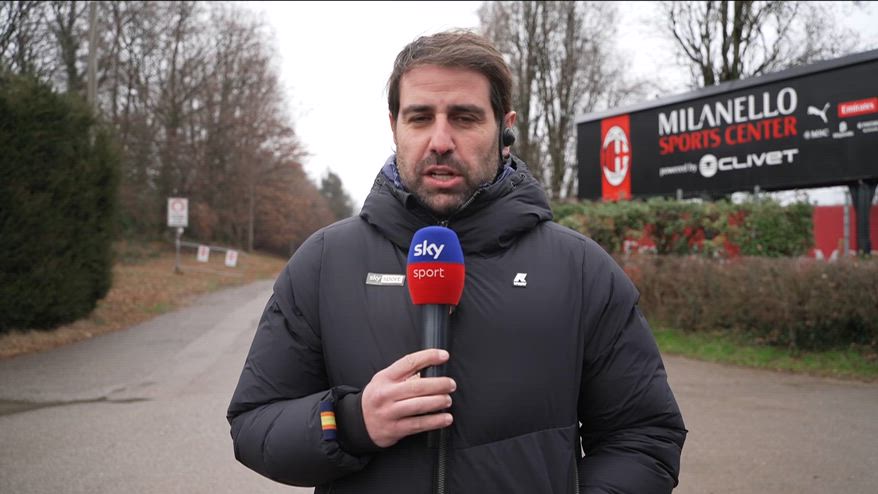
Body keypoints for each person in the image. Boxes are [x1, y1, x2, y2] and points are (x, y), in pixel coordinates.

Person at [227, 30, 686, 493]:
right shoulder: (325, 262)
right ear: (394, 126)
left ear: (504, 130)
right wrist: (349, 422)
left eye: (465, 118)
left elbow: (645, 438)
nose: (440, 140)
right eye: (420, 117)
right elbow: (254, 424)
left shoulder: (581, 269)